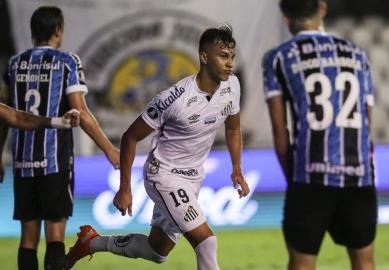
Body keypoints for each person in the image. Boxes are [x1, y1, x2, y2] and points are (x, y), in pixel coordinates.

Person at [65, 25, 250, 270]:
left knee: (157, 251)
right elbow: (130, 137)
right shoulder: (174, 98)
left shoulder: (232, 86)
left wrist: (237, 168)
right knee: (206, 242)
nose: (230, 63)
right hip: (164, 175)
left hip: (194, 177)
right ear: (204, 57)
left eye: (232, 57)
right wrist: (125, 189)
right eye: (223, 56)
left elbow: (233, 129)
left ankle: (92, 242)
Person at [0, 6, 119, 270]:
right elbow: (81, 112)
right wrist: (110, 149)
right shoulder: (68, 62)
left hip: (22, 163)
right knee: (55, 236)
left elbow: (5, 115)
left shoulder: (14, 64)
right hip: (54, 161)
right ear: (58, 30)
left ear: (33, 32)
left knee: (28, 238)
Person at [262, 1, 376, 270]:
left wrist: (292, 179)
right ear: (322, 8)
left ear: (286, 17)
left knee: (302, 264)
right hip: (358, 176)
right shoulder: (358, 55)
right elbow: (367, 121)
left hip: (310, 175)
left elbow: (280, 130)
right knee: (365, 262)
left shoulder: (279, 57)